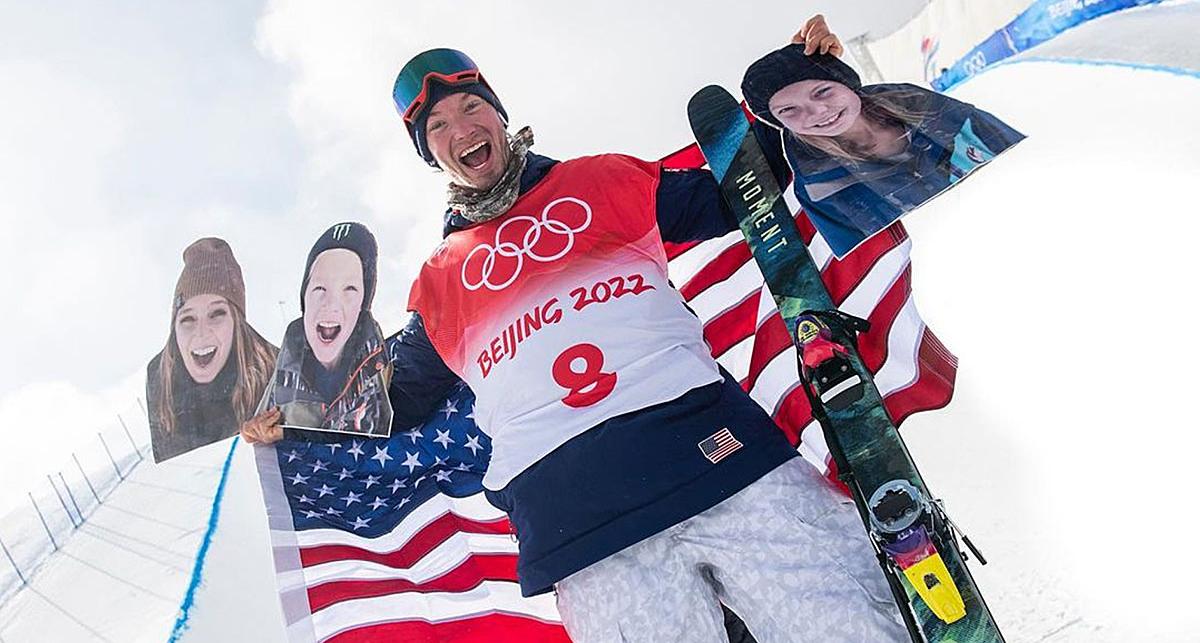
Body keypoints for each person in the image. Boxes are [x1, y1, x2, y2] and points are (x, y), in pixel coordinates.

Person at [242, 16, 906, 643]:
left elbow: (737, 194)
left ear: (498, 115)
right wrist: (297, 413)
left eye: (472, 107)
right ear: (432, 155)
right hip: (582, 526)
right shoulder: (443, 278)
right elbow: (397, 397)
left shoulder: (599, 179)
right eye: (438, 125)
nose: (461, 126)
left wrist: (799, 86)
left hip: (718, 454)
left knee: (849, 622)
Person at [742, 42, 1024, 258]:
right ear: (778, 122)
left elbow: (1011, 149)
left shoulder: (923, 107)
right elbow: (872, 264)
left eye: (823, 91)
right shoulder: (820, 189)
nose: (818, 112)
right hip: (951, 260)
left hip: (1015, 213)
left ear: (846, 82)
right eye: (789, 110)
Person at [248, 222, 392, 443]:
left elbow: (369, 446)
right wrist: (255, 431)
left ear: (363, 303)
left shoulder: (379, 363)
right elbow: (259, 435)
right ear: (304, 296)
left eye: (349, 289)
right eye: (319, 289)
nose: (331, 305)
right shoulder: (290, 360)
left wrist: (290, 435)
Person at [147, 237, 277, 463]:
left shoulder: (275, 366)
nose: (201, 333)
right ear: (174, 326)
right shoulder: (160, 374)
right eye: (188, 318)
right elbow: (172, 466)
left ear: (237, 322)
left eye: (217, 314)